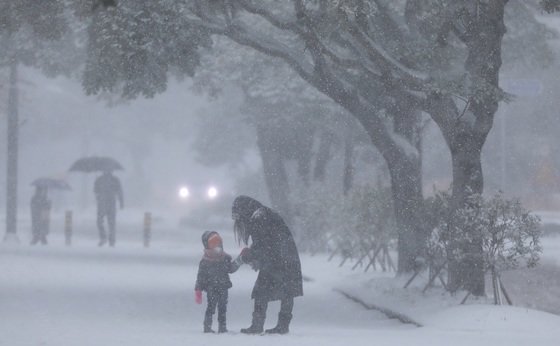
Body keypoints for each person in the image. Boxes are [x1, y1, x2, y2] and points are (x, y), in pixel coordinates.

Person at [232, 195, 303, 335]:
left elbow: (262, 245)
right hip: (285, 255)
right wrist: (253, 256)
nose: (239, 220)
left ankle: (258, 325)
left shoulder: (258, 217)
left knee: (262, 290)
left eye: (239, 216)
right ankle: (282, 326)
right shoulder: (262, 213)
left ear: (244, 210)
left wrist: (244, 258)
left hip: (278, 259)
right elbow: (265, 242)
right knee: (287, 291)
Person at [195, 231, 242, 333]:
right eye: (214, 245)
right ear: (208, 246)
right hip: (211, 288)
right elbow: (200, 276)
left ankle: (222, 327)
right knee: (211, 307)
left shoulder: (224, 258)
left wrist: (240, 260)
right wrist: (198, 289)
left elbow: (231, 269)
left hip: (223, 287)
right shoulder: (205, 261)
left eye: (219, 245)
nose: (217, 248)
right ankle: (207, 327)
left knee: (222, 308)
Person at [94, 170, 124, 247]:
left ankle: (106, 238)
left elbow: (95, 191)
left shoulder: (100, 179)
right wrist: (121, 202)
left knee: (102, 221)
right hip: (109, 203)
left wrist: (121, 202)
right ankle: (110, 239)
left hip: (104, 203)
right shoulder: (114, 180)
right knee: (109, 223)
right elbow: (119, 191)